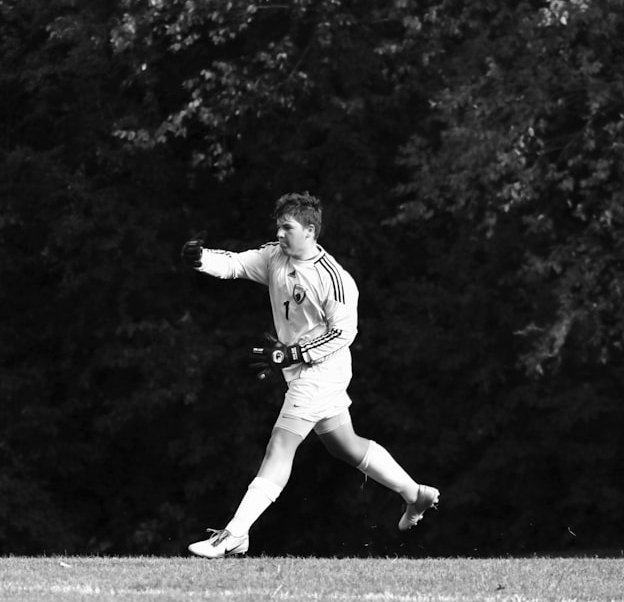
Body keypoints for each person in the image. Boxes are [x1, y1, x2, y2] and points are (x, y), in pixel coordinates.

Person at [181, 192, 439, 558]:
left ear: (310, 230)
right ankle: (416, 495)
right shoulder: (274, 256)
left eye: (287, 227)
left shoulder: (333, 278)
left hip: (322, 371)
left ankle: (234, 534)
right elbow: (236, 264)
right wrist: (201, 259)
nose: (280, 233)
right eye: (279, 226)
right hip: (301, 371)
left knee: (280, 446)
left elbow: (343, 333)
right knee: (344, 445)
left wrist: (294, 352)